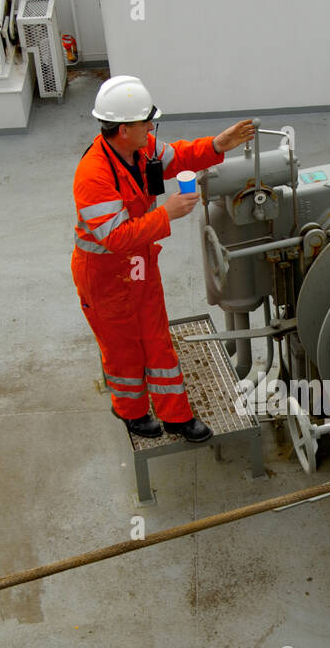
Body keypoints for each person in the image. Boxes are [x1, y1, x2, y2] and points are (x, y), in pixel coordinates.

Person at [73, 75, 255, 442]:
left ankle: (176, 416)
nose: (151, 128)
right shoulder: (93, 176)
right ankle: (131, 411)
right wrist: (167, 213)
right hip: (106, 277)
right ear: (124, 129)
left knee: (156, 339)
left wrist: (218, 145)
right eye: (146, 122)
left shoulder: (141, 150)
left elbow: (180, 156)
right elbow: (116, 238)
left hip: (139, 266)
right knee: (123, 349)